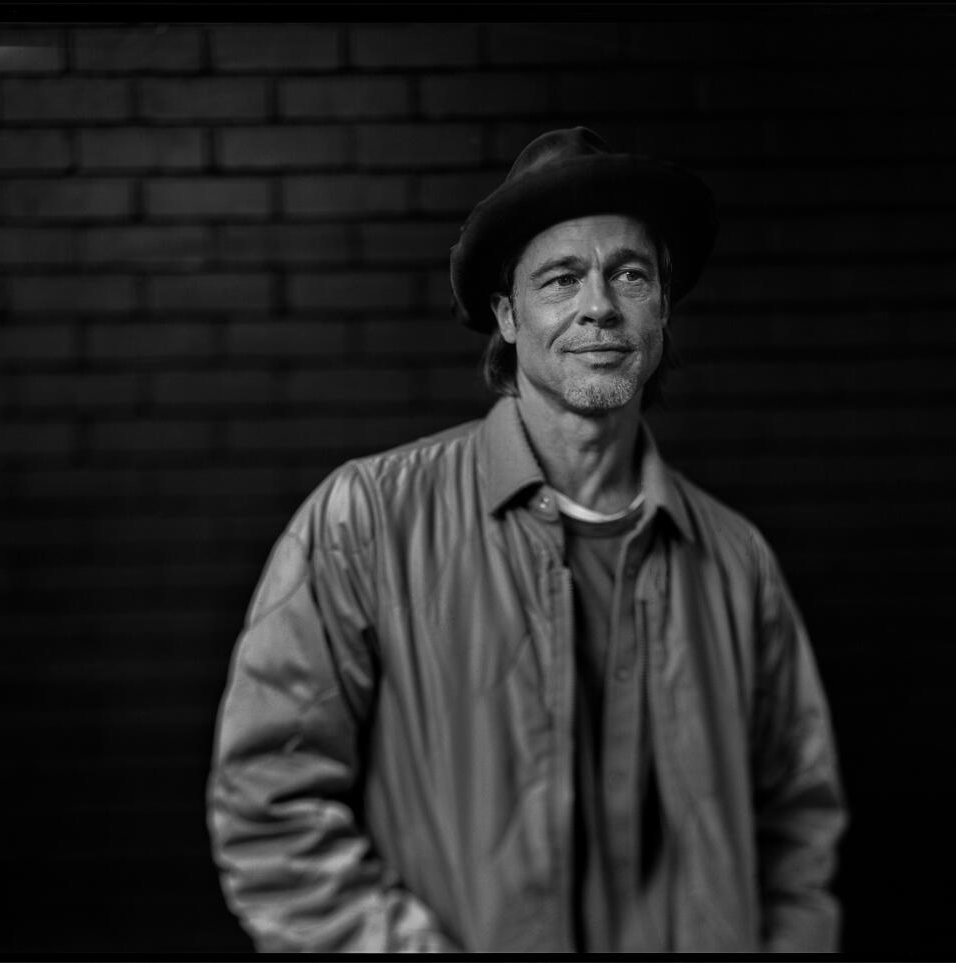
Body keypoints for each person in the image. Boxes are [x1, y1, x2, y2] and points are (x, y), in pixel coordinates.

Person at [207, 127, 847, 953]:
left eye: (629, 273)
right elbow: (268, 806)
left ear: (661, 306)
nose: (599, 306)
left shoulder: (734, 558)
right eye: (560, 278)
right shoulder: (363, 521)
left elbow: (798, 827)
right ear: (507, 316)